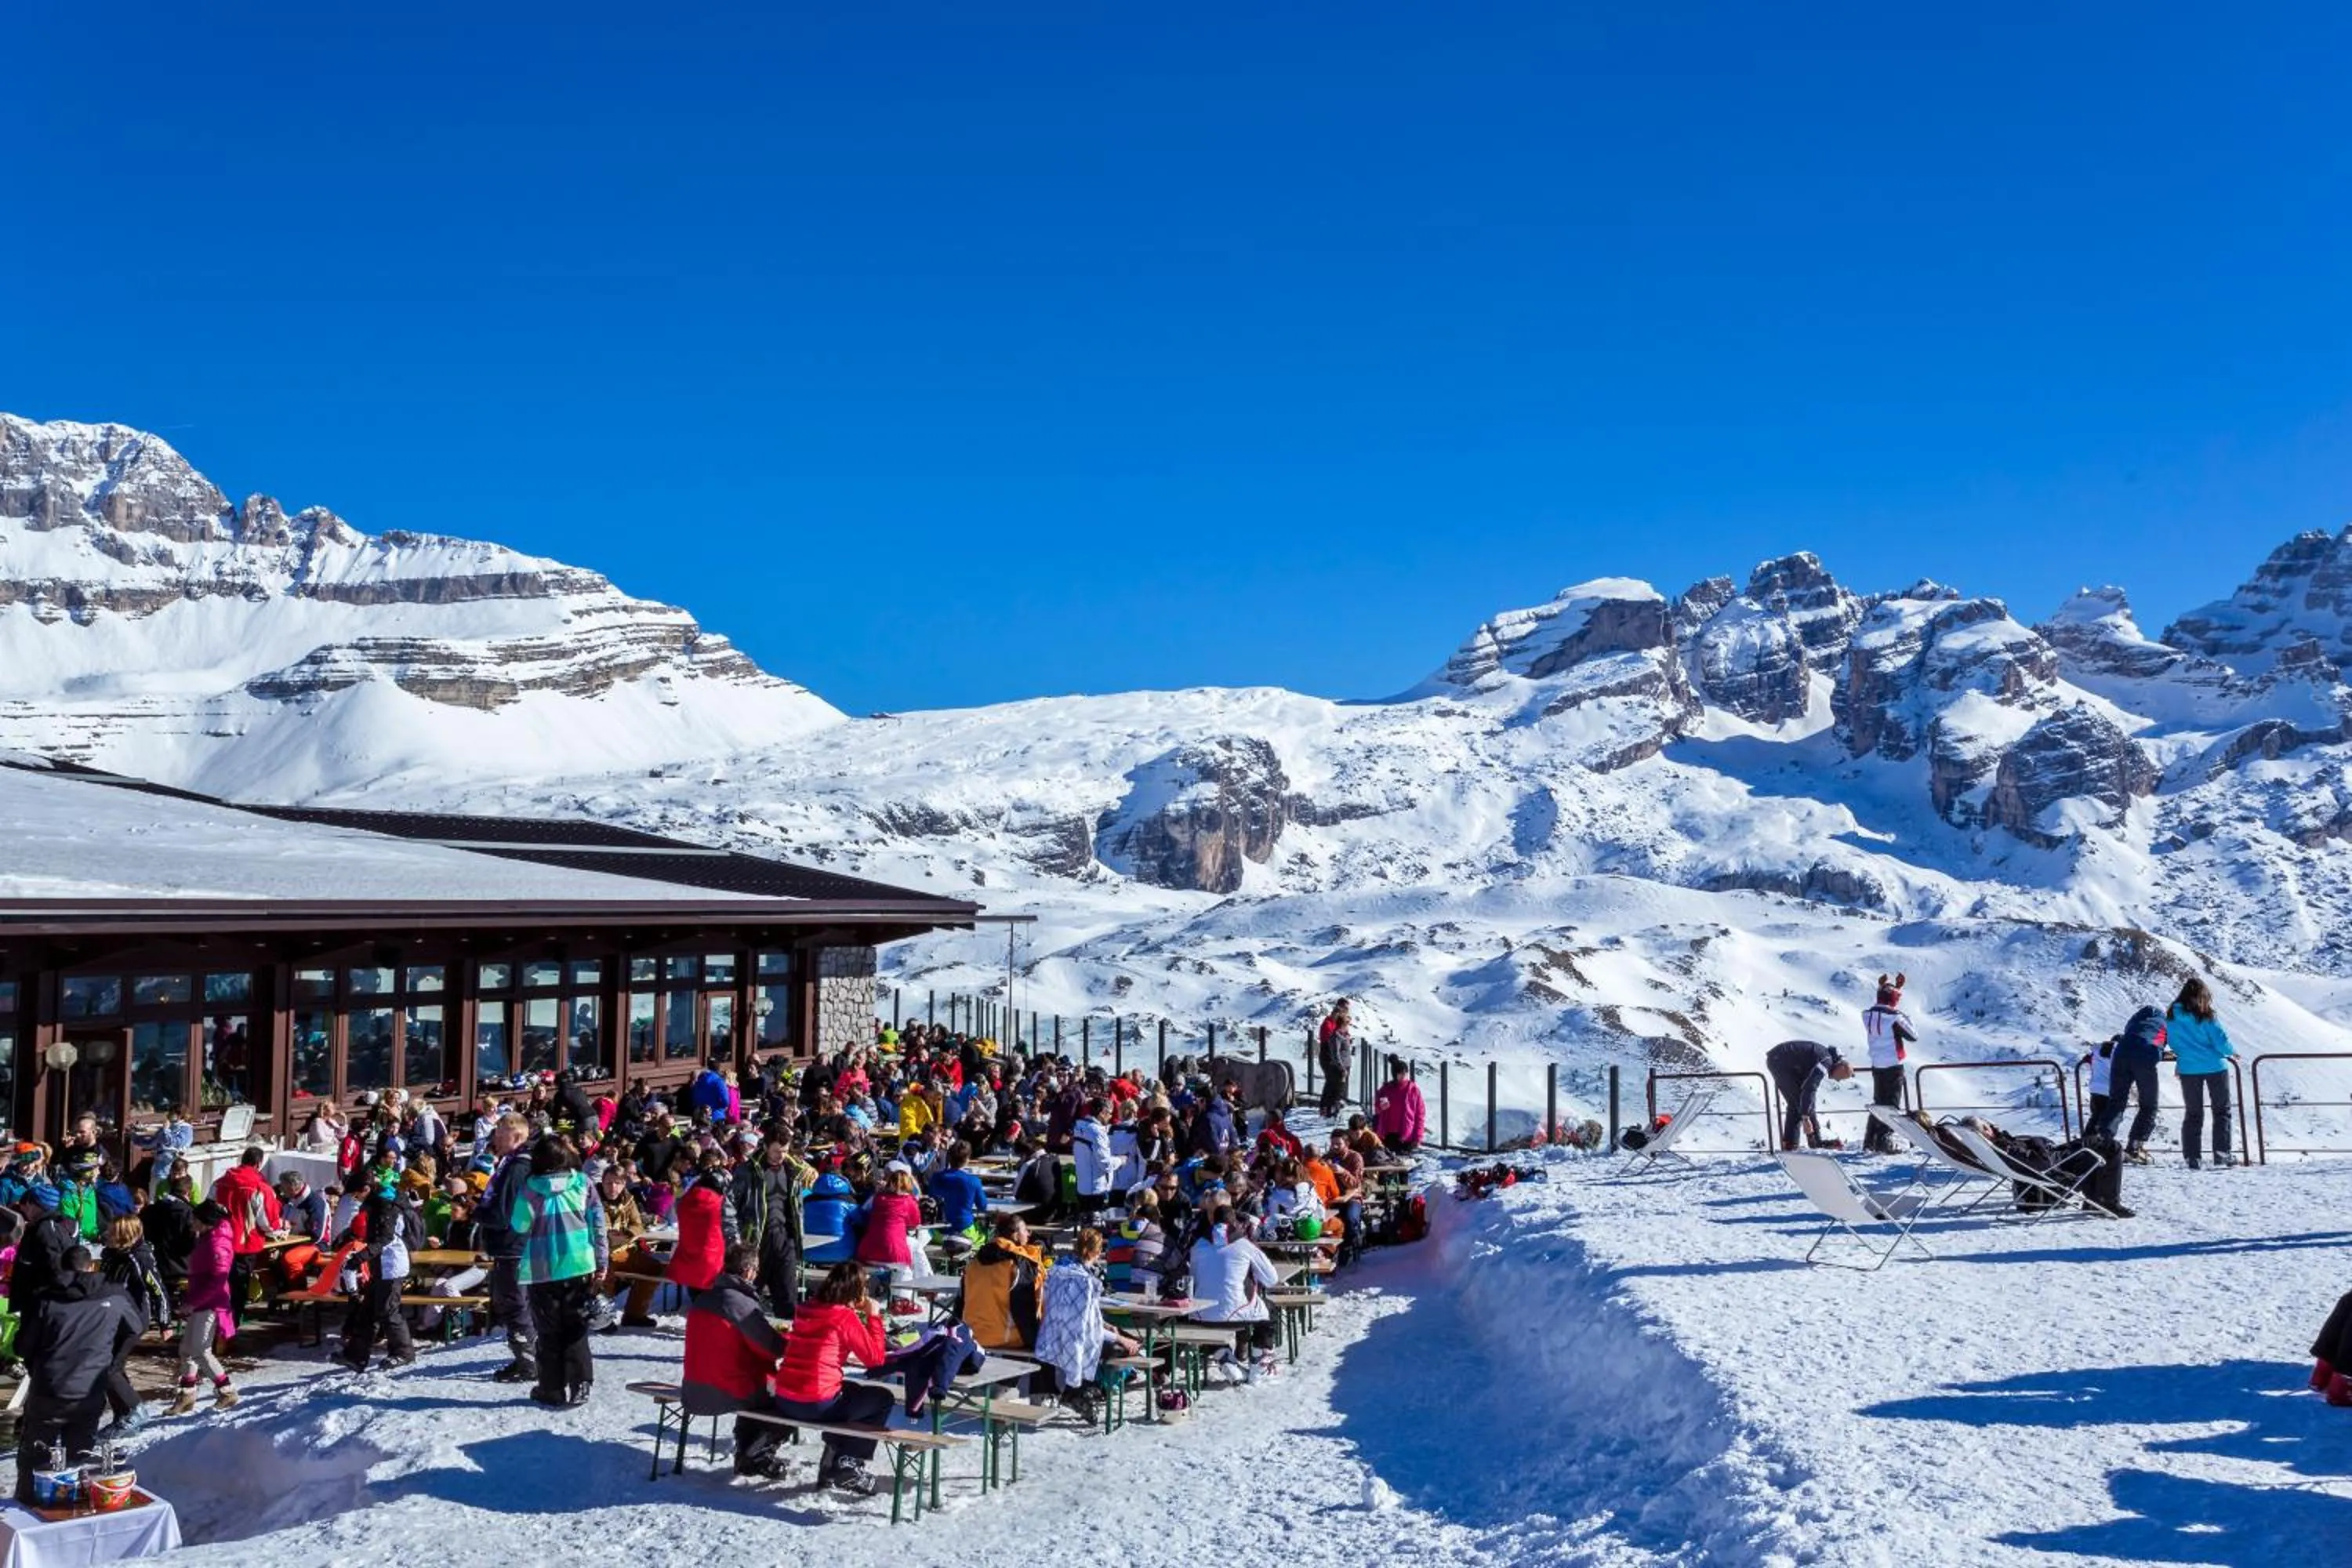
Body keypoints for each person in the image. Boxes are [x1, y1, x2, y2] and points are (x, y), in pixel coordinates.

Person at [16, 1247, 145, 1504]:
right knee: (79, 1459)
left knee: (34, 1461)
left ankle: (28, 1511)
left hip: (49, 1390)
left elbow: (23, 1347)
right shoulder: (115, 1295)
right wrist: (113, 1363)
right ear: (91, 1267)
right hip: (90, 1391)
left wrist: (36, 1365)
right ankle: (73, 1515)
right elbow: (136, 1328)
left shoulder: (46, 1299)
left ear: (61, 1268)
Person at [768, 1261, 895, 1495]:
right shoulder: (844, 1317)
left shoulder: (805, 1308)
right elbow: (875, 1360)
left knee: (853, 1391)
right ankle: (849, 1462)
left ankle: (833, 1461)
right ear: (856, 1291)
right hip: (816, 1403)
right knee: (882, 1398)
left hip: (785, 1397)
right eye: (864, 1288)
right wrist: (873, 1317)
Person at [509, 1135, 608, 1409]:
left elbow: (519, 1225)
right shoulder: (582, 1183)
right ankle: (581, 1384)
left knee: (549, 1329)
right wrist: (602, 1263)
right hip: (579, 1264)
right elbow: (597, 1225)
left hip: (542, 1268)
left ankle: (551, 1388)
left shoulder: (530, 1188)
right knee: (576, 1327)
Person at [683, 1242, 792, 1478]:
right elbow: (772, 1349)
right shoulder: (740, 1305)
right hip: (728, 1390)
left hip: (694, 1388)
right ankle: (756, 1455)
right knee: (792, 1401)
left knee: (754, 1388)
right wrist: (786, 1337)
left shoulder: (704, 1298)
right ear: (749, 1271)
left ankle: (747, 1452)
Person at [1036, 1228, 1141, 1423]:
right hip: (1072, 1341)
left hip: (1051, 1335)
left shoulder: (1058, 1270)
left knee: (1119, 1338)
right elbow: (1089, 1330)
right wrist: (1121, 1338)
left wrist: (1106, 1325)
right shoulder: (1085, 1282)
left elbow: (1083, 1318)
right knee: (1122, 1347)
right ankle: (1083, 1391)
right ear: (1097, 1252)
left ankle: (1083, 1390)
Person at [477, 1112, 539, 1383]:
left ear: (517, 1136)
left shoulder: (517, 1168)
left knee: (514, 1304)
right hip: (513, 1245)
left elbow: (504, 1213)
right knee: (514, 1303)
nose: (496, 1139)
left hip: (514, 1245)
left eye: (500, 1134)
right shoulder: (512, 1164)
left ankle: (528, 1362)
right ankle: (527, 1357)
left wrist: (477, 1213)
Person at [1189, 1200, 1280, 1382]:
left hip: (1202, 1314)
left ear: (1212, 1222)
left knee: (1209, 1319)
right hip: (1240, 1312)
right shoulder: (1244, 1245)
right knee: (1268, 1312)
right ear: (1234, 1223)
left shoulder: (1197, 1246)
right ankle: (1259, 1364)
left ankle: (1224, 1357)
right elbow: (1271, 1280)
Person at [337, 1181, 417, 1373]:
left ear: (366, 1189)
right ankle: (356, 1355)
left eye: (356, 1194)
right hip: (380, 1266)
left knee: (388, 1311)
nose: (355, 1199)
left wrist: (360, 1258)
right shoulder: (375, 1205)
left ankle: (403, 1353)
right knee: (367, 1312)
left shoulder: (385, 1207)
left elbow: (384, 1239)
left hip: (392, 1266)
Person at [96, 1217, 165, 1435]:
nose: (106, 1235)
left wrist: (165, 1322)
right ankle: (122, 1414)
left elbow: (158, 1289)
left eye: (111, 1232)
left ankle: (137, 1409)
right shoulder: (111, 1256)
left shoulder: (139, 1258)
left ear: (123, 1236)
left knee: (110, 1368)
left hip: (133, 1320)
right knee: (108, 1367)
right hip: (114, 1317)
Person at [732, 1138, 812, 1321]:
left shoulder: (793, 1170)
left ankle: (787, 1342)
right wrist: (735, 1237)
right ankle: (739, 1339)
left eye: (784, 1151)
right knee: (748, 1294)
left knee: (788, 1296)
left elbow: (796, 1207)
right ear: (766, 1147)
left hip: (786, 1239)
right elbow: (730, 1205)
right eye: (777, 1151)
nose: (781, 1156)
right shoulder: (748, 1171)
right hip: (757, 1240)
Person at [171, 1200, 240, 1414]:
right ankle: (186, 1395)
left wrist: (194, 1303)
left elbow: (217, 1281)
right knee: (187, 1350)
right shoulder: (208, 1238)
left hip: (210, 1304)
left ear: (206, 1222)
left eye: (195, 1219)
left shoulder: (218, 1244)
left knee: (200, 1350)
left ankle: (227, 1391)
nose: (192, 1222)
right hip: (200, 1301)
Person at [207, 1145, 285, 1328]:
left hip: (220, 1240)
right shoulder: (259, 1187)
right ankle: (230, 1328)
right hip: (244, 1243)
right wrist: (278, 1230)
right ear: (259, 1164)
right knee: (238, 1287)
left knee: (219, 1284)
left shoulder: (220, 1182)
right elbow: (266, 1221)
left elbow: (209, 1209)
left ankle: (213, 1325)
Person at [2167, 978, 2238, 1170]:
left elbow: (2173, 1043)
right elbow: (2220, 1040)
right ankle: (2222, 1155)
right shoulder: (2206, 1015)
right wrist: (2231, 1052)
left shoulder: (2172, 1015)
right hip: (2215, 1066)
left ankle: (2192, 1158)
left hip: (2188, 1068)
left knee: (2193, 1113)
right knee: (2222, 1111)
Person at [2089, 1005, 2169, 1163]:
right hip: (2146, 1054)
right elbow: (2165, 1040)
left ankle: (2102, 1144)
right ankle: (2134, 1149)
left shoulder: (2134, 1021)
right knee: (2148, 1105)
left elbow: (2129, 1035)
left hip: (2121, 1053)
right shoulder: (2165, 1024)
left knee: (2116, 1102)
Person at [957, 1214, 1045, 1351]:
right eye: (1025, 1230)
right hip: (1004, 1337)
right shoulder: (1016, 1265)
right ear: (1015, 1235)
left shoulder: (974, 1262)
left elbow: (960, 1301)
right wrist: (1035, 1341)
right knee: (1045, 1346)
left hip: (972, 1334)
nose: (1029, 1234)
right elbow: (1023, 1309)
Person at [666, 1150, 737, 1299]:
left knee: (697, 1301)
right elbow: (730, 1228)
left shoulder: (685, 1201)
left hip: (689, 1263)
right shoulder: (719, 1203)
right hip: (714, 1265)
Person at [1860, 974, 1917, 1156]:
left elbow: (1884, 1000)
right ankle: (1885, 1140)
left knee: (1878, 1102)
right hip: (1893, 1063)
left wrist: (1889, 988)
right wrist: (1903, 1013)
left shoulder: (1869, 1014)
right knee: (1891, 1105)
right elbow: (1913, 1035)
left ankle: (1870, 1141)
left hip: (1877, 1064)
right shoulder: (1894, 1017)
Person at [1764, 1040, 1853, 1152]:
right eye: (1841, 1077)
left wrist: (1807, 1115)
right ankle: (1799, 1144)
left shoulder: (1824, 1058)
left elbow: (1809, 1094)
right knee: (1798, 1104)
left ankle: (1799, 1143)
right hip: (1781, 1062)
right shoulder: (1826, 1062)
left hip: (1780, 1059)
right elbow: (1810, 1088)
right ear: (1840, 1067)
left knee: (1799, 1104)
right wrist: (1806, 1118)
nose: (1838, 1080)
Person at [854, 1165, 925, 1299]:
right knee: (906, 1266)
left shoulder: (878, 1198)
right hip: (892, 1253)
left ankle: (920, 1287)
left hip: (868, 1250)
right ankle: (903, 1299)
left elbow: (865, 1213)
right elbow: (915, 1223)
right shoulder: (909, 1201)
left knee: (912, 1247)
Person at [1070, 1098, 1116, 1218]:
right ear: (1103, 1112)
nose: (1111, 1117)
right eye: (1110, 1113)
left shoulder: (1079, 1126)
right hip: (1097, 1188)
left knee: (1086, 1227)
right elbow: (1105, 1164)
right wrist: (1121, 1160)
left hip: (1082, 1186)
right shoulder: (1097, 1132)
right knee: (1096, 1229)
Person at [1371, 1059, 1426, 1155]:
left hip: (1407, 1136)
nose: (1404, 1075)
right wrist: (1381, 1107)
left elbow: (1420, 1115)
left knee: (1403, 1164)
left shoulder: (1413, 1090)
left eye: (1405, 1073)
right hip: (1387, 1135)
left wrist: (1418, 1137)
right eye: (1401, 1073)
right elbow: (1377, 1108)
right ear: (1395, 1074)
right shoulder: (1386, 1089)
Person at [1317, 1000, 1354, 1119]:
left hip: (1335, 1057)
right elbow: (1331, 1044)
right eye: (1345, 1010)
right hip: (1329, 1056)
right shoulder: (1330, 1026)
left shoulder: (1340, 1028)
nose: (1346, 1012)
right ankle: (1328, 1108)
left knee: (1332, 1083)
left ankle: (1330, 1107)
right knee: (1332, 1083)